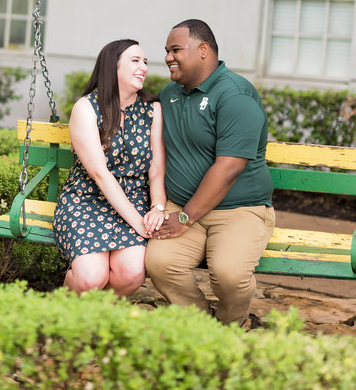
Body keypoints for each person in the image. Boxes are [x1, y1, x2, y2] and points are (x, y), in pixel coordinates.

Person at [144, 19, 275, 326]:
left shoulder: (235, 95)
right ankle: (203, 325)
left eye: (176, 49)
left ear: (203, 50)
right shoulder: (170, 95)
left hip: (238, 209)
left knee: (229, 273)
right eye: (166, 51)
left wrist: (185, 217)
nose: (167, 57)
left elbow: (229, 168)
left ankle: (234, 326)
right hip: (183, 206)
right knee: (160, 263)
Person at [52, 38, 167, 296]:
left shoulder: (152, 110)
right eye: (135, 60)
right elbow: (100, 175)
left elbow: (157, 170)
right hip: (86, 200)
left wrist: (157, 206)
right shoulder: (87, 108)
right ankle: (64, 310)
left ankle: (98, 315)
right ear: (112, 67)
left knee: (132, 273)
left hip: (134, 199)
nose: (144, 67)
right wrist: (138, 223)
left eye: (145, 62)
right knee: (91, 277)